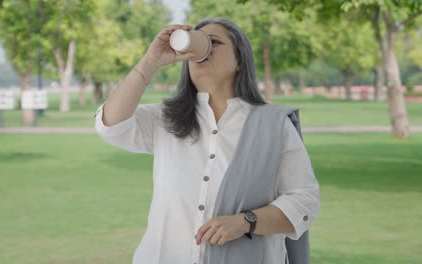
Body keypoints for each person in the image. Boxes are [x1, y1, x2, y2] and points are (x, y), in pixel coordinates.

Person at [94, 17, 320, 264]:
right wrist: (150, 62)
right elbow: (111, 125)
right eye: (198, 44)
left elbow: (304, 200)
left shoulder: (273, 125)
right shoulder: (165, 119)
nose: (203, 51)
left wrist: (246, 222)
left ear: (239, 60)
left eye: (214, 42)